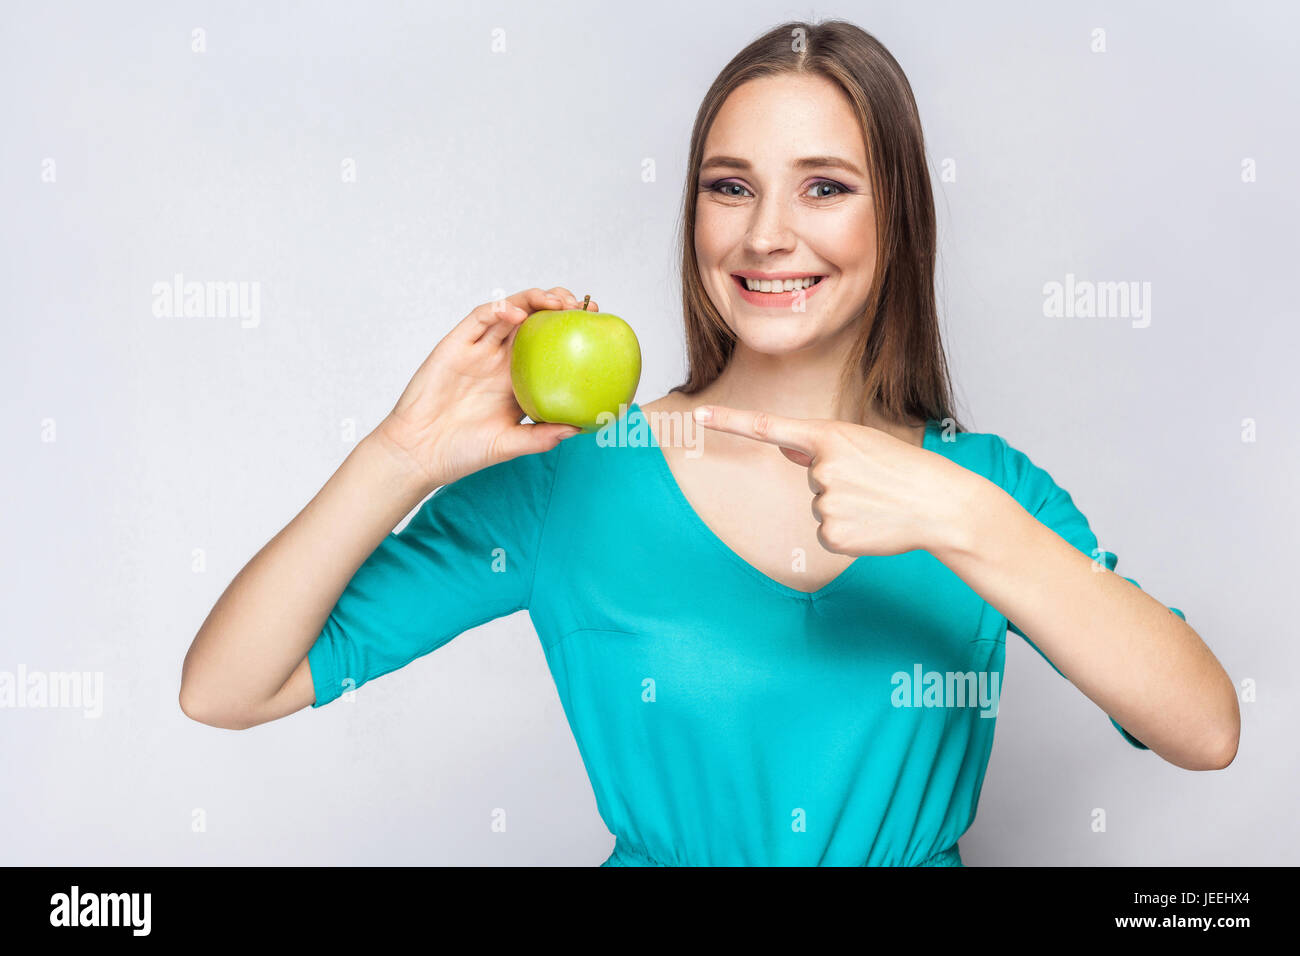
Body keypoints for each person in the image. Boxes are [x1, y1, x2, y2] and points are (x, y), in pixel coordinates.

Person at [179, 19, 1239, 866]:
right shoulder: (572, 478)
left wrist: (961, 519)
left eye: (824, 186)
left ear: (897, 216)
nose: (766, 233)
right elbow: (228, 687)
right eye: (729, 185)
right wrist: (398, 455)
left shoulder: (983, 489)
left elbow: (1203, 727)